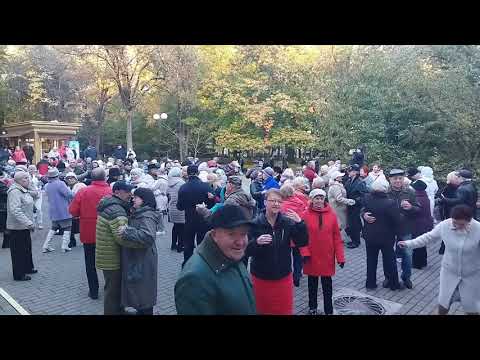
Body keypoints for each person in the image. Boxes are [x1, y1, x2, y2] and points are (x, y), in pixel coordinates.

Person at [398, 205, 480, 315]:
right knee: (443, 306)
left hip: (471, 277)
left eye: (461, 224)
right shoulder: (445, 225)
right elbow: (428, 237)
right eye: (454, 222)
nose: (456, 226)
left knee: (472, 309)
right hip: (449, 273)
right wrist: (409, 244)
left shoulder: (478, 229)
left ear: (469, 221)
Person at [175, 205, 256, 315]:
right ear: (214, 235)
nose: (240, 242)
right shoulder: (195, 278)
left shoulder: (231, 255)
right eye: (231, 234)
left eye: (244, 234)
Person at [246, 188, 308, 315]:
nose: (276, 204)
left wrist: (300, 224)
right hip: (261, 278)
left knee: (284, 311)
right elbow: (245, 251)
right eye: (272, 200)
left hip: (283, 277)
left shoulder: (287, 222)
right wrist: (256, 243)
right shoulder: (254, 224)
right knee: (262, 310)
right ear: (265, 202)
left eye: (279, 201)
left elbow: (302, 242)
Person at [364, 168, 420, 289]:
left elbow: (418, 209)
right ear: (390, 180)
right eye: (395, 179)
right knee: (389, 256)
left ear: (403, 179)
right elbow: (366, 208)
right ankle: (388, 278)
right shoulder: (384, 191)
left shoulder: (410, 192)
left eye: (400, 178)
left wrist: (411, 207)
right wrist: (364, 215)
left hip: (404, 228)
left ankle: (406, 277)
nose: (398, 181)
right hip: (387, 231)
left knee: (407, 255)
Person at [96, 181, 145, 315]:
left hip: (106, 254)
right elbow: (122, 237)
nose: (130, 194)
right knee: (113, 292)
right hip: (112, 257)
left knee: (113, 290)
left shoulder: (109, 203)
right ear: (117, 192)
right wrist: (142, 243)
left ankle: (119, 311)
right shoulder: (117, 210)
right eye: (127, 191)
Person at [69, 168, 112, 300]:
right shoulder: (111, 191)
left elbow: (73, 210)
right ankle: (110, 289)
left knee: (90, 263)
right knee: (111, 262)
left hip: (88, 232)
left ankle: (93, 291)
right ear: (105, 177)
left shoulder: (83, 191)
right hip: (107, 233)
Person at [116, 187, 160, 315]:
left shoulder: (146, 215)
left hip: (143, 258)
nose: (133, 199)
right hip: (139, 257)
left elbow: (148, 236)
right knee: (140, 291)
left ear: (144, 199)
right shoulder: (139, 212)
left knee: (143, 293)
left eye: (136, 197)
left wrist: (127, 231)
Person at [301, 188, 345, 315]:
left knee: (327, 286)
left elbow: (337, 237)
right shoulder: (305, 215)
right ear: (312, 199)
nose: (319, 201)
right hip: (311, 256)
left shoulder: (331, 215)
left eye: (321, 198)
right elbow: (300, 237)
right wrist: (304, 252)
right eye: (316, 198)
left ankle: (328, 310)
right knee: (312, 285)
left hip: (327, 256)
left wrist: (340, 257)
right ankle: (312, 307)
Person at [362, 178, 403, 290]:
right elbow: (397, 220)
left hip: (370, 236)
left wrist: (364, 215)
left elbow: (363, 210)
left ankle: (370, 284)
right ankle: (394, 284)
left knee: (371, 260)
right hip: (386, 237)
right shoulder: (390, 203)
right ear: (385, 189)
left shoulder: (367, 198)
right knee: (390, 260)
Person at [177, 165, 214, 267]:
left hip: (189, 220)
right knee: (202, 245)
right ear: (197, 173)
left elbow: (179, 207)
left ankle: (187, 265)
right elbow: (212, 204)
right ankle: (202, 265)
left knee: (188, 245)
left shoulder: (183, 188)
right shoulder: (206, 186)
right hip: (203, 220)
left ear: (187, 174)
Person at [6, 171, 36, 281]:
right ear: (19, 180)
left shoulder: (23, 189)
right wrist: (28, 222)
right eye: (26, 178)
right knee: (19, 251)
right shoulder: (14, 192)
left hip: (24, 226)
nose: (29, 180)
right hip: (17, 227)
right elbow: (15, 210)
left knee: (27, 249)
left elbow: (35, 194)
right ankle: (19, 274)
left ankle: (28, 267)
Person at [280, 183, 308, 288]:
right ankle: (297, 275)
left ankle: (287, 274)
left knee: (286, 256)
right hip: (298, 233)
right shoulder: (300, 203)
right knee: (298, 256)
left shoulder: (282, 205)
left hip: (286, 235)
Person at [42, 168, 74, 253]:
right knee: (67, 227)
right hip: (63, 209)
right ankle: (65, 246)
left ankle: (46, 245)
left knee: (54, 227)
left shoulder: (47, 186)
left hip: (53, 210)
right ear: (57, 176)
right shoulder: (60, 183)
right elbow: (69, 194)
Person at [411, 179, 433, 270]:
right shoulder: (425, 197)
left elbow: (415, 211)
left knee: (417, 244)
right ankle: (423, 261)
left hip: (418, 224)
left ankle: (417, 264)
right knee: (422, 243)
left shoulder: (417, 198)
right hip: (425, 223)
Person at [328, 170, 355, 243]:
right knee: (339, 225)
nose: (342, 177)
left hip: (340, 208)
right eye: (340, 176)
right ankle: (335, 239)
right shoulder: (335, 187)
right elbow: (338, 198)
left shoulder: (338, 185)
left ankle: (336, 239)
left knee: (339, 225)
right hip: (337, 208)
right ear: (336, 178)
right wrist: (349, 201)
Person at [344, 164, 368, 248]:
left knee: (355, 224)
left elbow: (364, 195)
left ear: (355, 172)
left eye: (350, 171)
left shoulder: (360, 182)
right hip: (349, 205)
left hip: (356, 206)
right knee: (351, 224)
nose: (349, 172)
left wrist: (356, 201)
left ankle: (356, 242)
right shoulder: (349, 181)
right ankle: (353, 239)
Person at [437, 171, 459, 254]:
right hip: (451, 211)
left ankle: (444, 248)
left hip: (448, 211)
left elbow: (440, 196)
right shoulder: (453, 187)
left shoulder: (447, 187)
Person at [65, 172, 86, 248]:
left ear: (75, 178)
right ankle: (72, 240)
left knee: (82, 226)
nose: (70, 180)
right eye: (68, 178)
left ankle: (85, 240)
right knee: (71, 226)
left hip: (81, 208)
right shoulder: (67, 187)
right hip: (72, 209)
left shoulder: (81, 185)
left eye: (72, 178)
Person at [167, 167, 185, 252]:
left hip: (172, 207)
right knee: (182, 228)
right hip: (180, 208)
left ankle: (173, 244)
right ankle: (180, 246)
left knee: (175, 227)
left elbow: (167, 194)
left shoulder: (169, 183)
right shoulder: (181, 183)